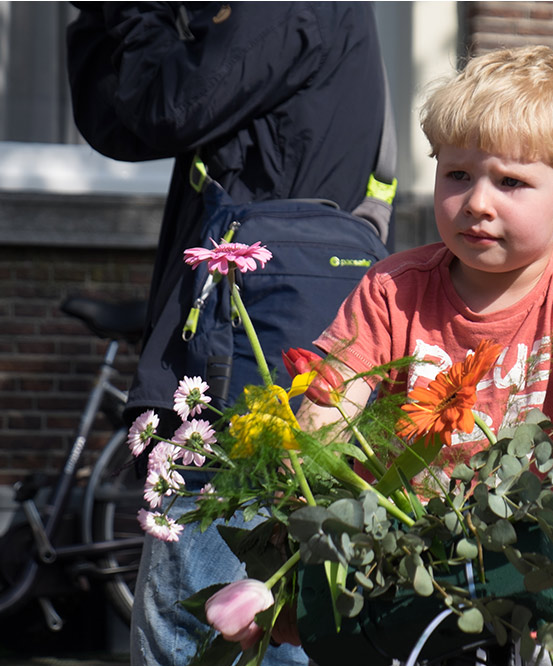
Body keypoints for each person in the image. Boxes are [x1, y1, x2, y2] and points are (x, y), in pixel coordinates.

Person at [295, 45, 553, 665]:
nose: (478, 202)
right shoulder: (394, 288)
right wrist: (306, 479)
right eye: (458, 175)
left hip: (528, 576)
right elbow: (333, 401)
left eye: (510, 182)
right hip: (406, 567)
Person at [66, 3, 391, 663]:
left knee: (209, 620)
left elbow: (172, 105)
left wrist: (130, 12)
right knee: (238, 613)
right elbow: (121, 121)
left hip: (255, 348)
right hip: (253, 334)